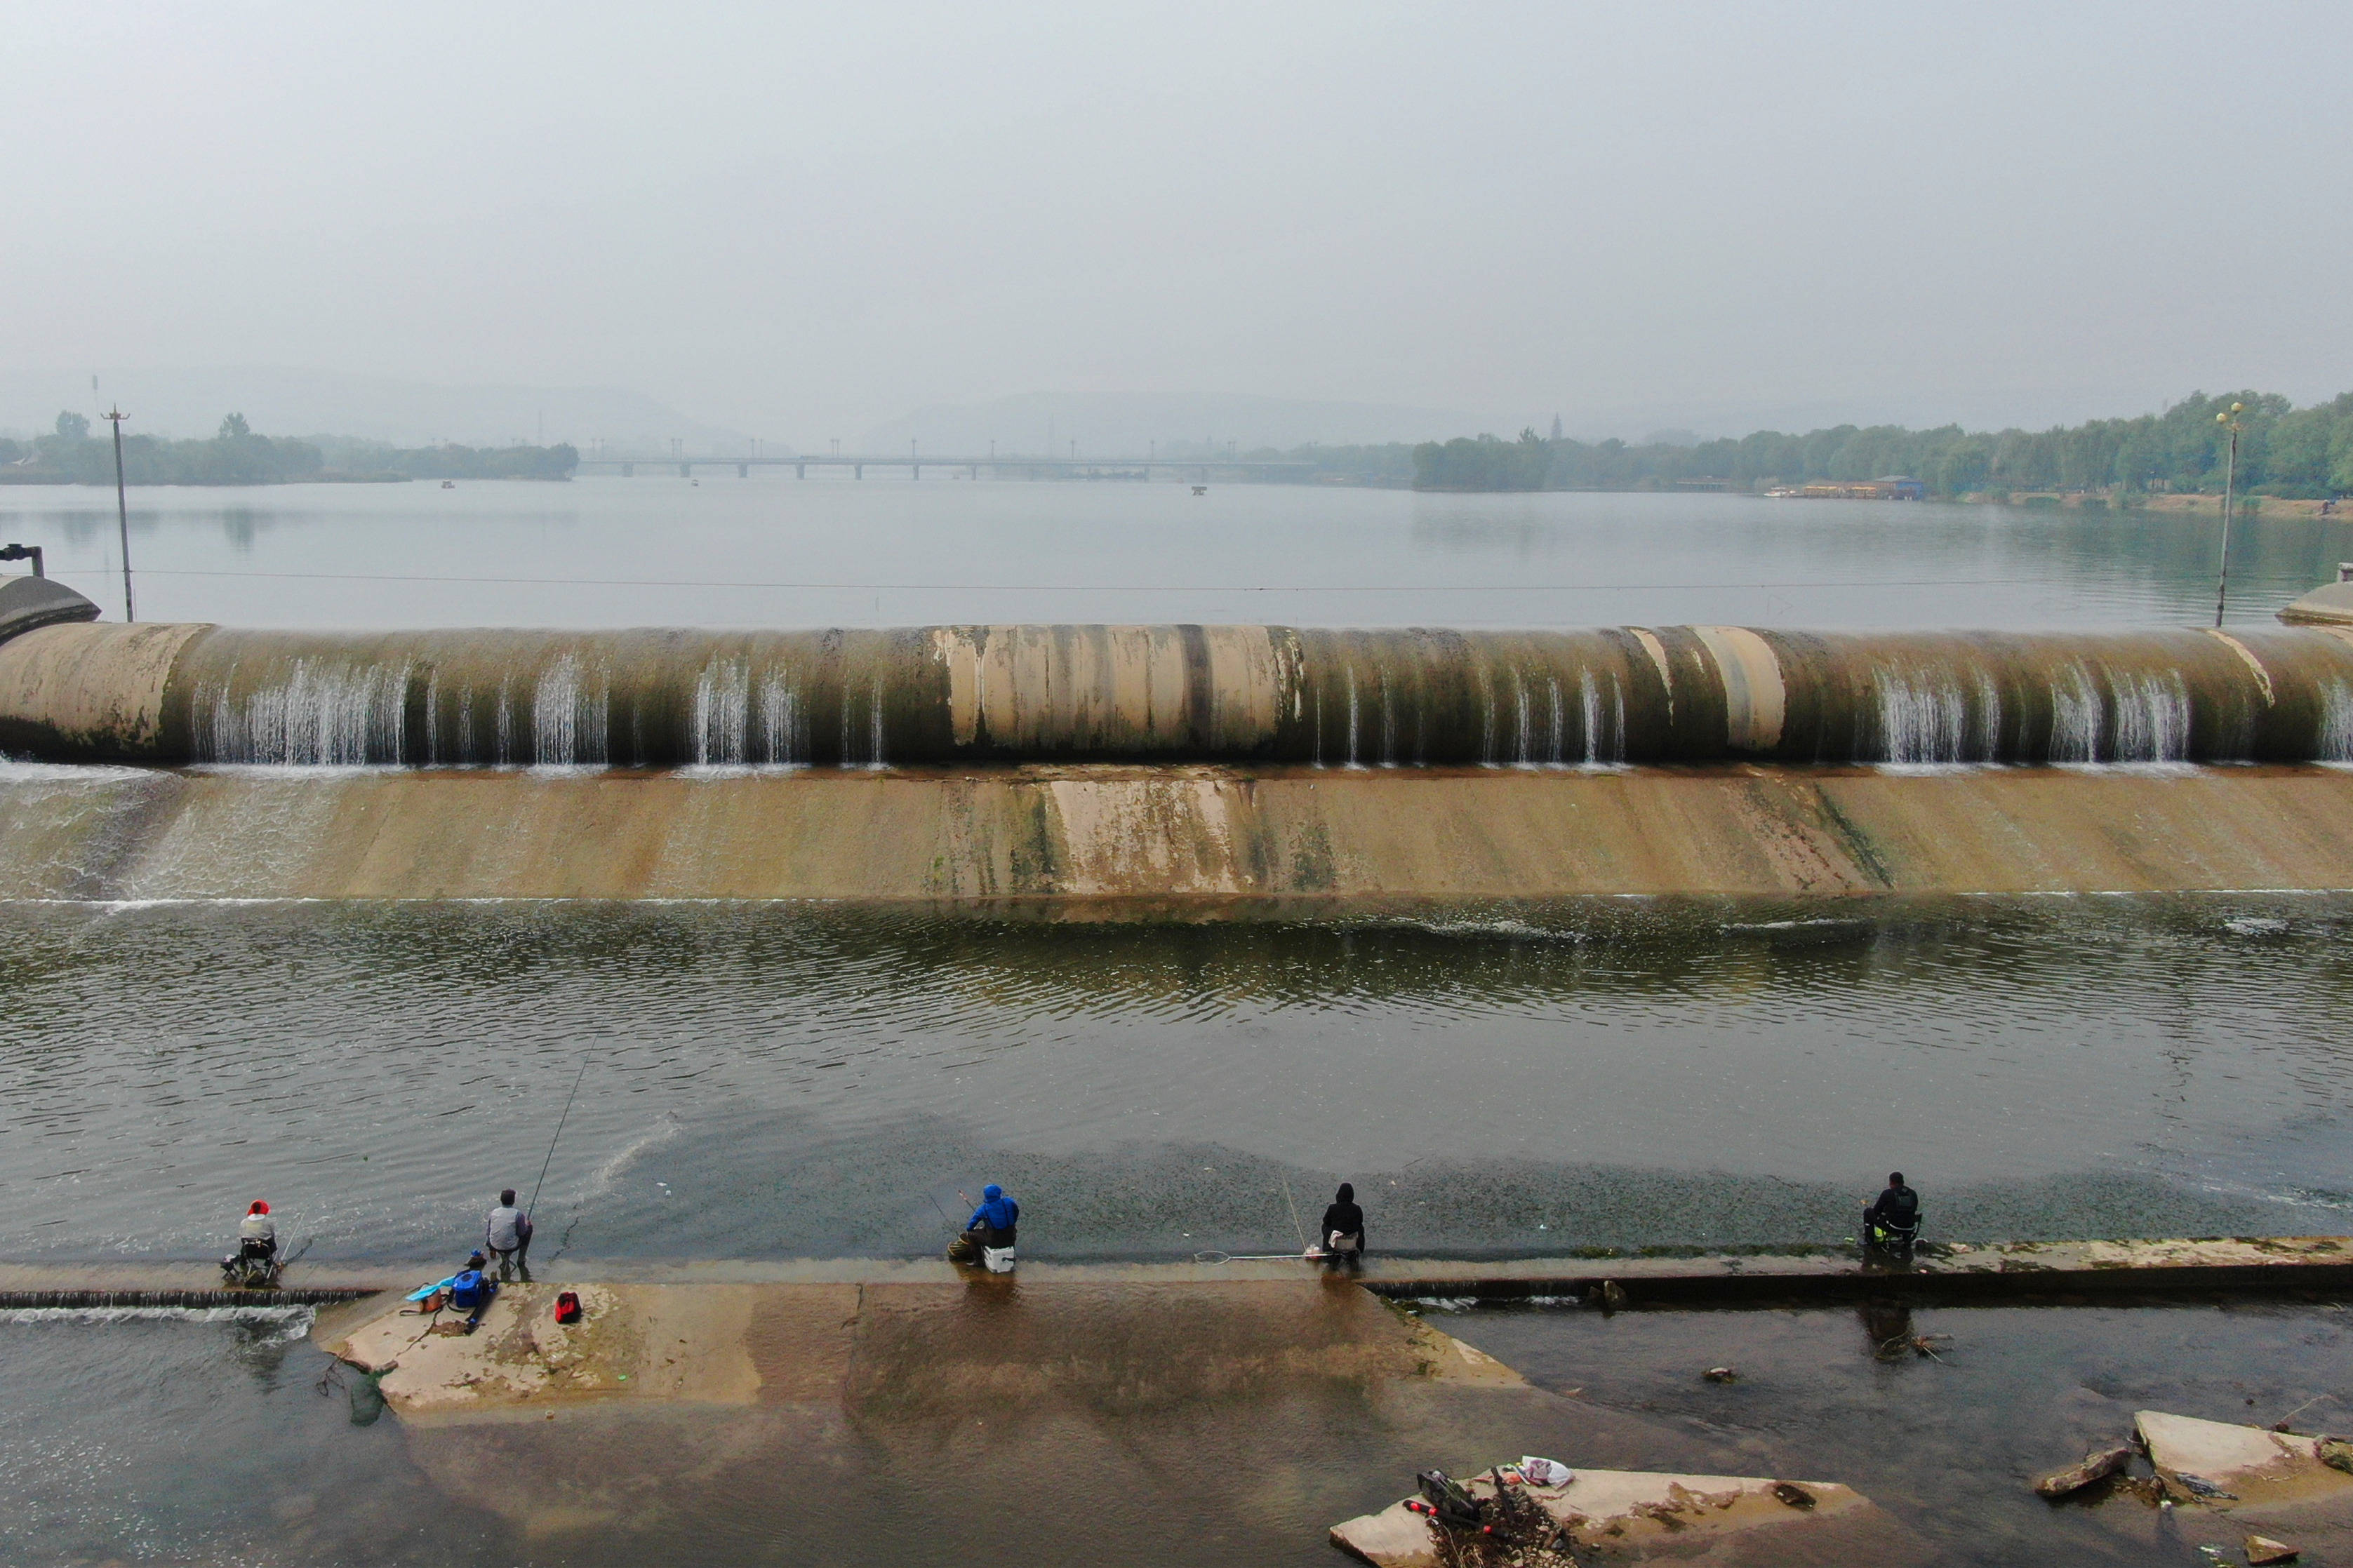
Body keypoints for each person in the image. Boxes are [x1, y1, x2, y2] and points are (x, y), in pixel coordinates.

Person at [947, 1184, 1018, 1266]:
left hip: (994, 1242)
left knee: (971, 1235)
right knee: (1012, 1228)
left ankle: (978, 1261)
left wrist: (976, 1228)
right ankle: (1012, 1253)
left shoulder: (983, 1209)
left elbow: (970, 1227)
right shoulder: (1009, 1202)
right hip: (1010, 1238)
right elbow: (1016, 1212)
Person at [485, 1188, 532, 1282]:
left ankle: (504, 1259)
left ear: (501, 1200)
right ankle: (521, 1259)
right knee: (529, 1229)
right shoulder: (518, 1214)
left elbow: (488, 1231)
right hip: (511, 1247)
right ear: (513, 1201)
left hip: (493, 1245)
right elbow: (522, 1233)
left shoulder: (493, 1213)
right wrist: (527, 1225)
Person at [1865, 1172, 1921, 1249]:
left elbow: (1876, 1211)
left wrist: (1884, 1211)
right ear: (1903, 1182)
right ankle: (1906, 1241)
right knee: (1906, 1216)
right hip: (1910, 1228)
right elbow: (1912, 1209)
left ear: (1891, 1182)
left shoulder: (1888, 1193)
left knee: (1868, 1212)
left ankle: (1869, 1242)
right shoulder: (1913, 1193)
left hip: (1893, 1227)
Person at [1319, 1183, 1366, 1265]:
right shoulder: (1357, 1209)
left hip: (1337, 1241)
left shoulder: (1333, 1208)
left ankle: (1328, 1250)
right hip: (1352, 1242)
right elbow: (1360, 1223)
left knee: (1325, 1226)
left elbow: (1326, 1221)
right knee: (1360, 1227)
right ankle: (1358, 1251)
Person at [236, 1200, 279, 1266]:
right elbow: (272, 1233)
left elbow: (242, 1234)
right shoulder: (269, 1222)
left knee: (246, 1241)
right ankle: (268, 1263)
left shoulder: (244, 1222)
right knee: (270, 1240)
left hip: (248, 1252)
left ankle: (243, 1263)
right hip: (265, 1252)